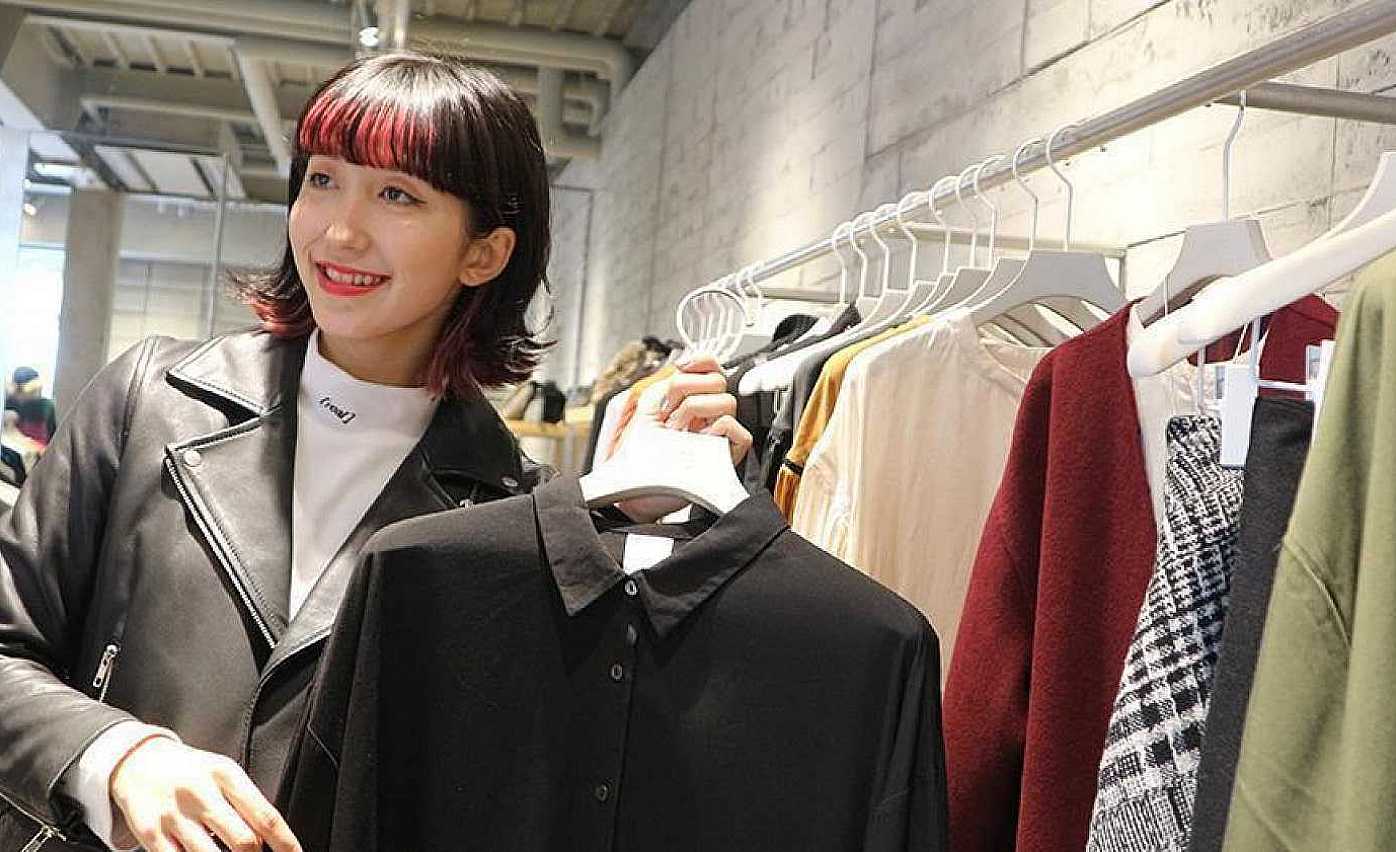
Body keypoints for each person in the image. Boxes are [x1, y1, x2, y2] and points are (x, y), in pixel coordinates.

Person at [0, 53, 750, 852]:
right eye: (323, 179)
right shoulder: (150, 400)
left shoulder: (518, 513)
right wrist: (115, 756)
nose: (339, 231)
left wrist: (633, 526)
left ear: (484, 253)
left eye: (398, 195)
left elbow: (539, 772)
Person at [4, 366, 58, 448]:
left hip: (38, 450)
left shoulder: (46, 407)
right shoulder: (8, 405)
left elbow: (52, 438)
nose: (38, 393)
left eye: (38, 390)